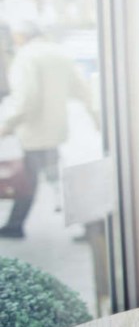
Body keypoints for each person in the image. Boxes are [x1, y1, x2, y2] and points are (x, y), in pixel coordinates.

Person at [0, 22, 98, 239]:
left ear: (20, 35)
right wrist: (96, 118)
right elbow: (81, 88)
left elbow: (27, 98)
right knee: (56, 178)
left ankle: (15, 225)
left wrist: (8, 125)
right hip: (57, 130)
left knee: (29, 178)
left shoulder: (26, 57)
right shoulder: (59, 53)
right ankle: (90, 225)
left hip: (34, 132)